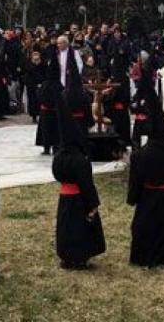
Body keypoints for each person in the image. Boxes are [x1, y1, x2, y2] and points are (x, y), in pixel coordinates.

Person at [126, 86, 164, 268]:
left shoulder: (140, 155)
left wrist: (133, 197)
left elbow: (135, 179)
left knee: (144, 226)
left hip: (147, 196)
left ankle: (144, 256)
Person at [52, 91, 106, 270]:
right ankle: (80, 258)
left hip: (65, 196)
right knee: (79, 228)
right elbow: (86, 184)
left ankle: (66, 257)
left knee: (65, 227)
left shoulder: (58, 158)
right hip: (79, 198)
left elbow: (57, 175)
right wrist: (93, 204)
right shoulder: (80, 159)